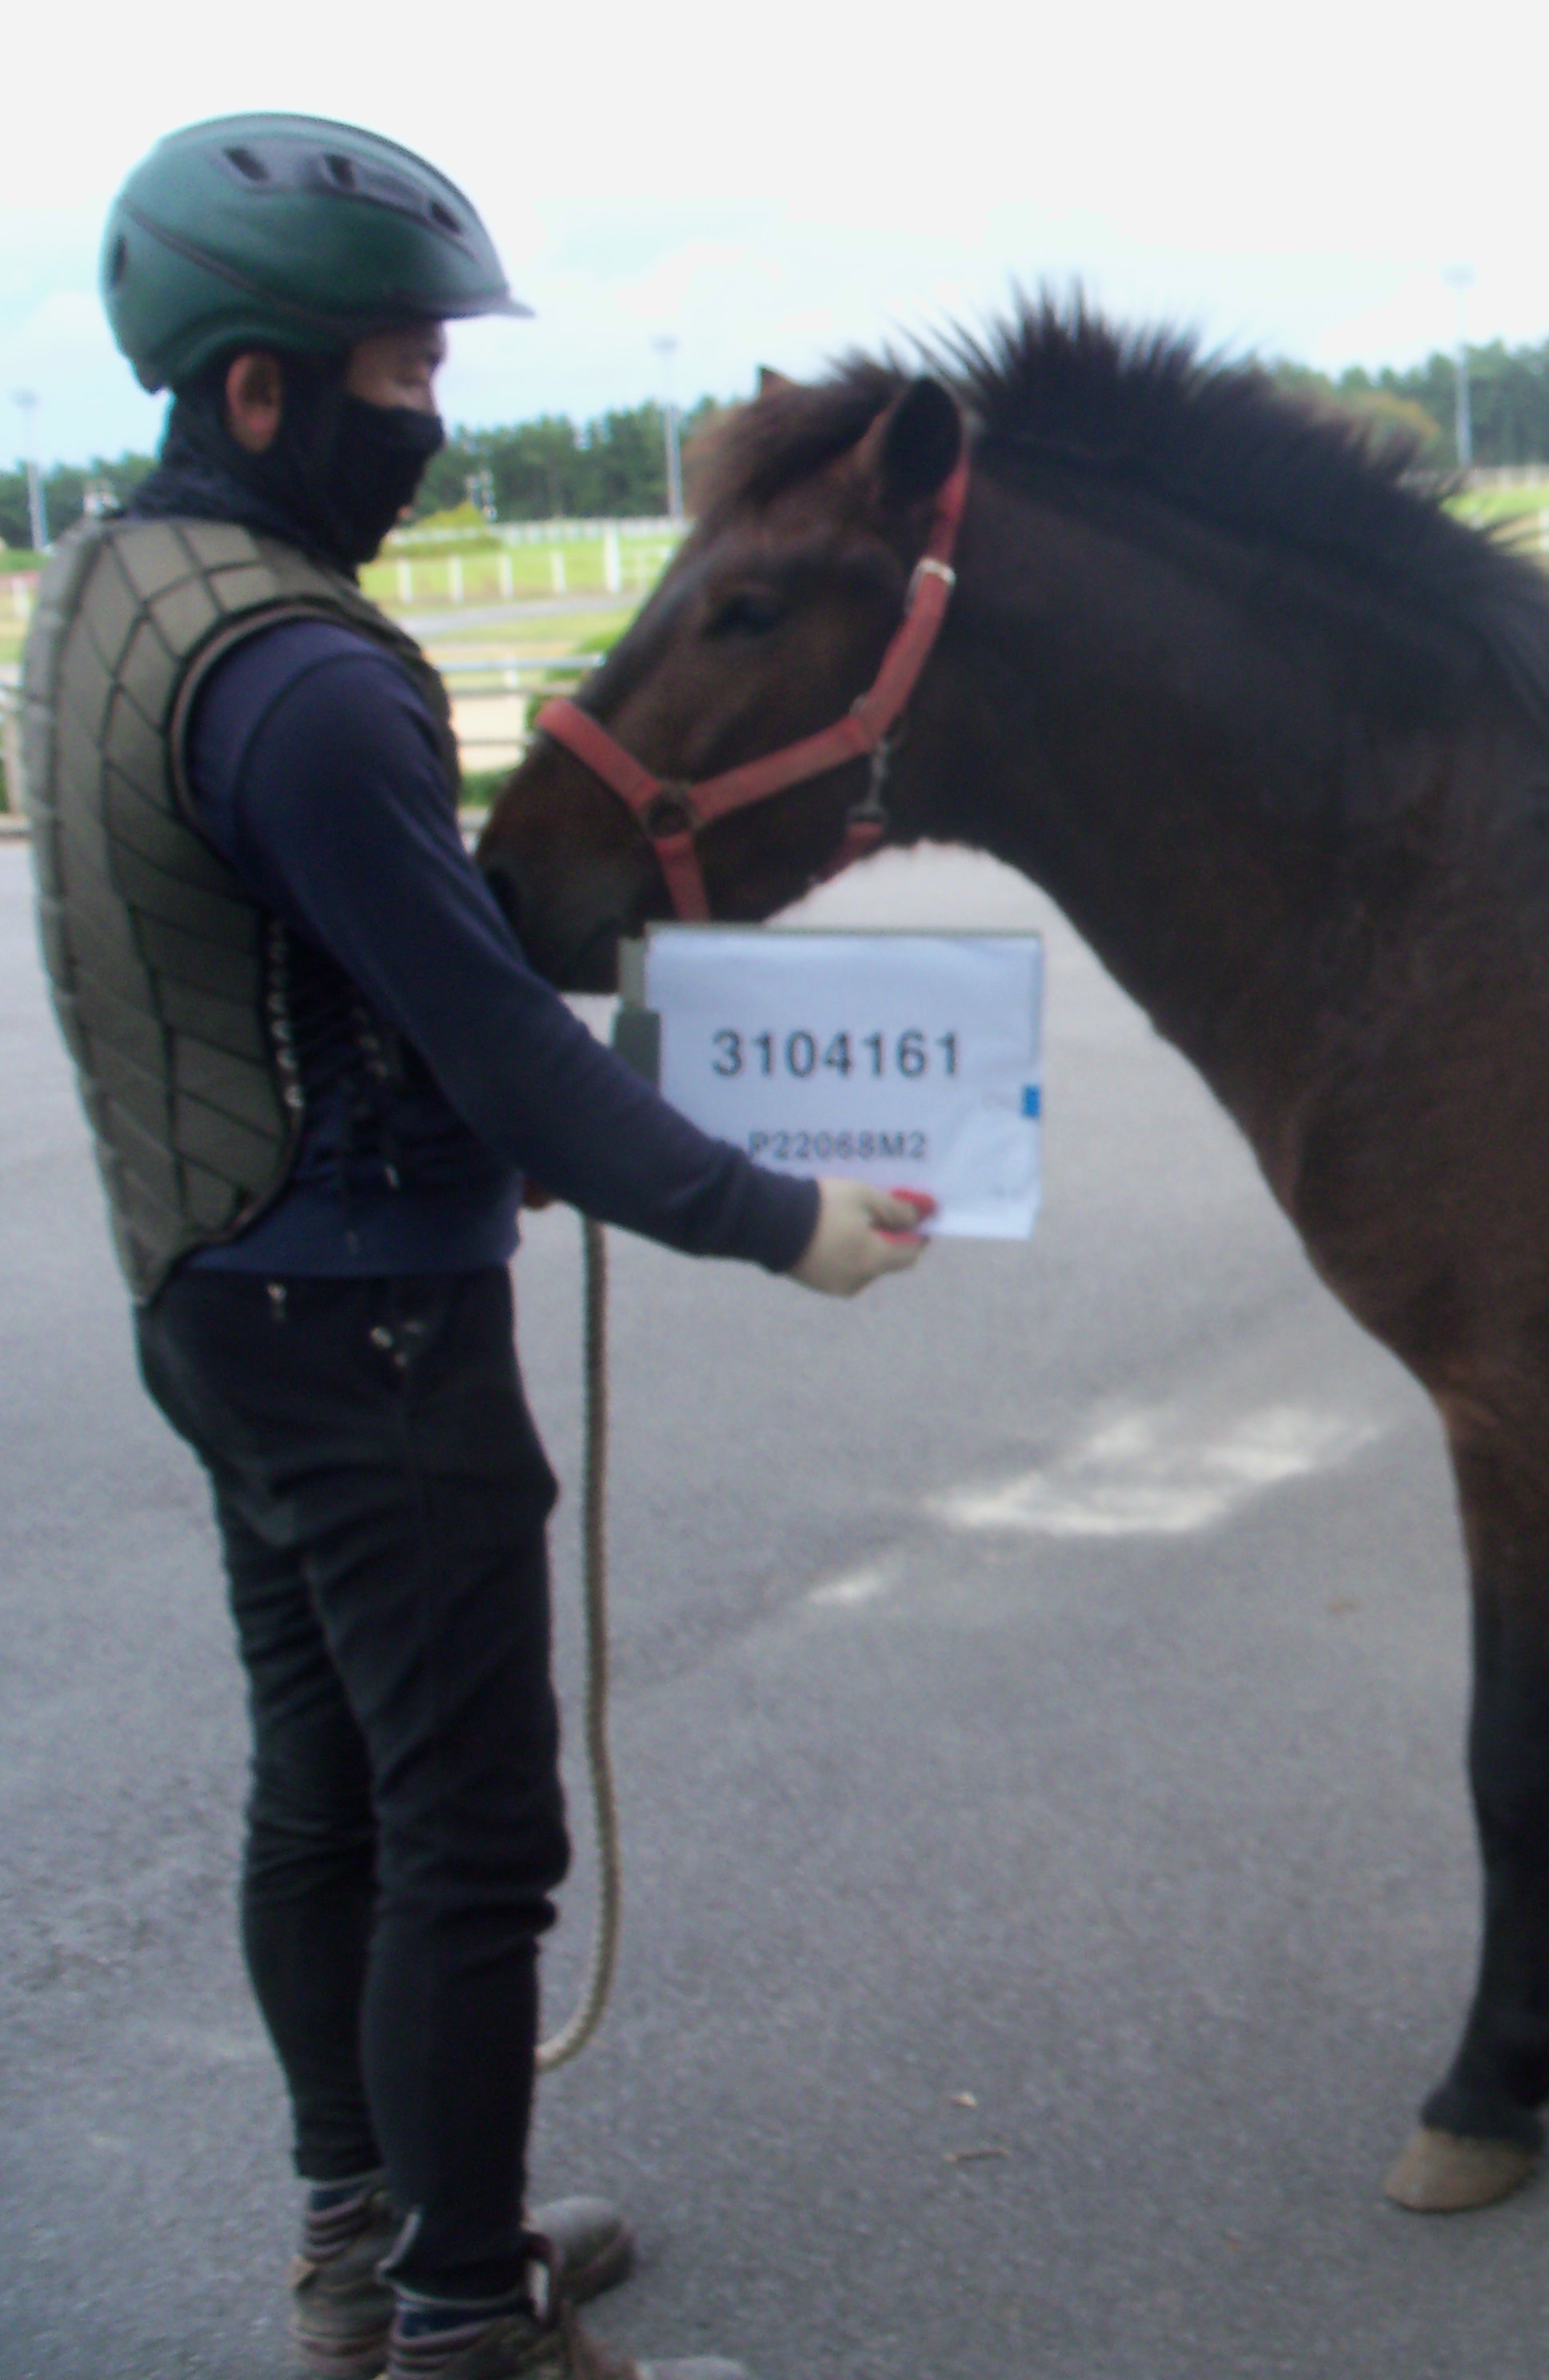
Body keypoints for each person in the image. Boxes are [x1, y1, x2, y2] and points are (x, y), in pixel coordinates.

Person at [18, 114, 927, 2380]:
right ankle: (456, 2321)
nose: (429, 421)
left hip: (212, 1295)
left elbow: (298, 985)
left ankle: (370, 2245)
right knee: (470, 1839)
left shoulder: (106, 594)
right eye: (404, 374)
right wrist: (776, 1218)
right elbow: (497, 1046)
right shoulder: (315, 681)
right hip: (369, 1334)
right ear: (261, 391)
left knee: (321, 1787)